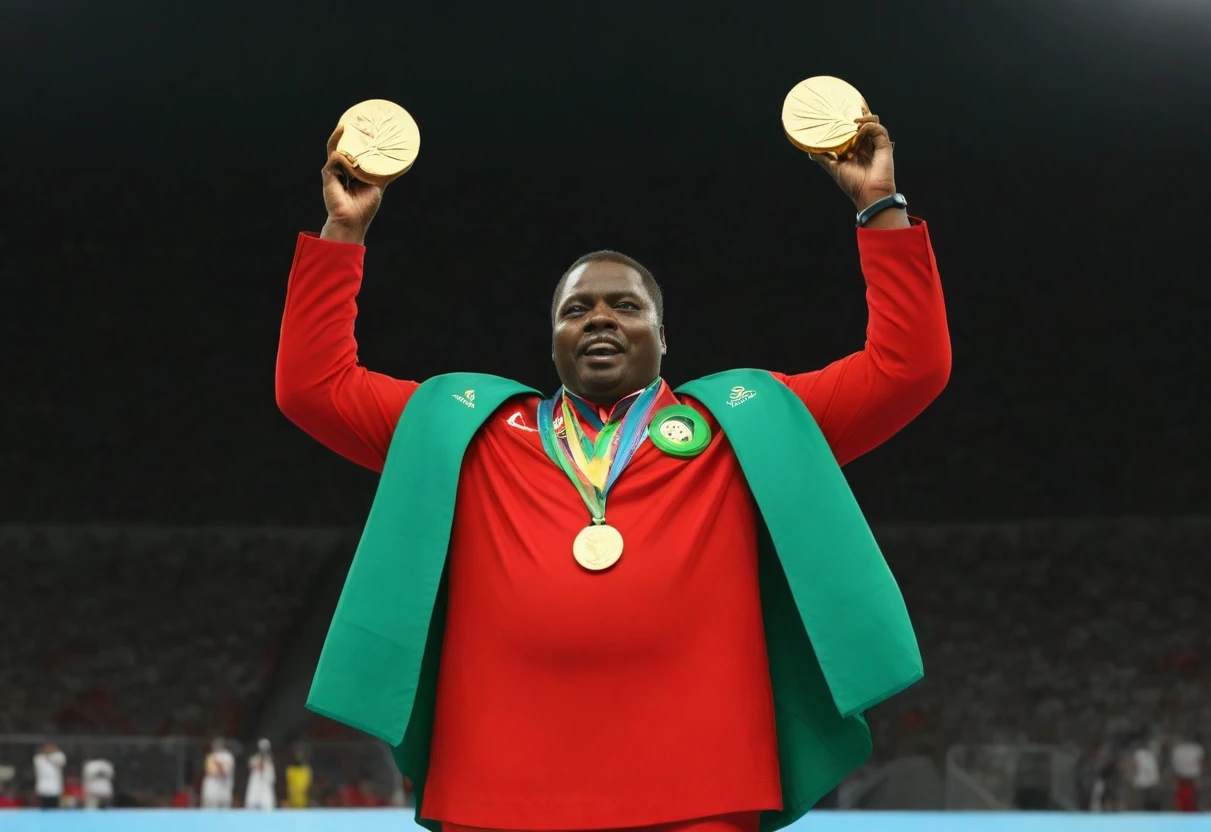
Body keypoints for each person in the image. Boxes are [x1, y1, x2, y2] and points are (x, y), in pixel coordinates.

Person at [277, 112, 950, 832]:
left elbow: (908, 368)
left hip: (699, 792)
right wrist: (342, 230)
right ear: (554, 339)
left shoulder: (744, 425)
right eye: (577, 310)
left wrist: (880, 208)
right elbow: (312, 387)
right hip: (498, 793)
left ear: (663, 336)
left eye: (626, 306)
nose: (600, 319)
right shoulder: (465, 429)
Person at [200, 738, 235, 810]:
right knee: (208, 810)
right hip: (211, 789)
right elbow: (209, 771)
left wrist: (218, 763)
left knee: (224, 811)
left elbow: (225, 772)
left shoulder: (228, 756)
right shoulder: (211, 756)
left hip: (223, 790)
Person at [244, 738, 277, 810]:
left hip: (266, 789)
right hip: (255, 788)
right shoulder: (254, 759)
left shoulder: (270, 762)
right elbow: (251, 768)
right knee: (252, 808)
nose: (263, 751)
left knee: (267, 807)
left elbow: (272, 778)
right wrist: (260, 761)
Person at [32, 743, 66, 809]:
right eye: (47, 747)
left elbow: (60, 761)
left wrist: (49, 755)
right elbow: (37, 763)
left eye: (50, 747)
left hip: (54, 786)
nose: (48, 748)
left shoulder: (59, 756)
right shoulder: (39, 757)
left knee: (54, 806)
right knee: (44, 806)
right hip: (43, 786)